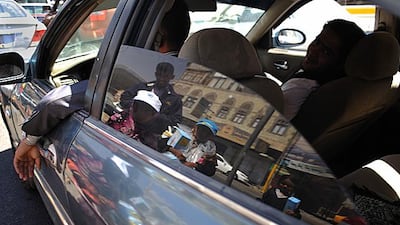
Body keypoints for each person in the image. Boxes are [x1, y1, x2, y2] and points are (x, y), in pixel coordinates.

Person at [13, 0, 191, 181]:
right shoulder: (152, 86)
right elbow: (125, 100)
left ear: (158, 38)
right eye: (160, 71)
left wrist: (29, 140)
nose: (161, 74)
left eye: (165, 72)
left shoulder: (166, 93)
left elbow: (55, 102)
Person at [281, 19, 366, 120]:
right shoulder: (358, 92)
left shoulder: (298, 88)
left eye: (326, 51)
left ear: (340, 63)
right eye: (317, 42)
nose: (313, 50)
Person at [120, 62, 183, 127]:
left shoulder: (175, 100)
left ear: (172, 77)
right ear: (156, 74)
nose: (162, 78)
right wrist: (137, 108)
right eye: (159, 75)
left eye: (165, 76)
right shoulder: (141, 87)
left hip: (150, 133)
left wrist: (156, 116)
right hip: (127, 124)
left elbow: (176, 120)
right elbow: (124, 98)